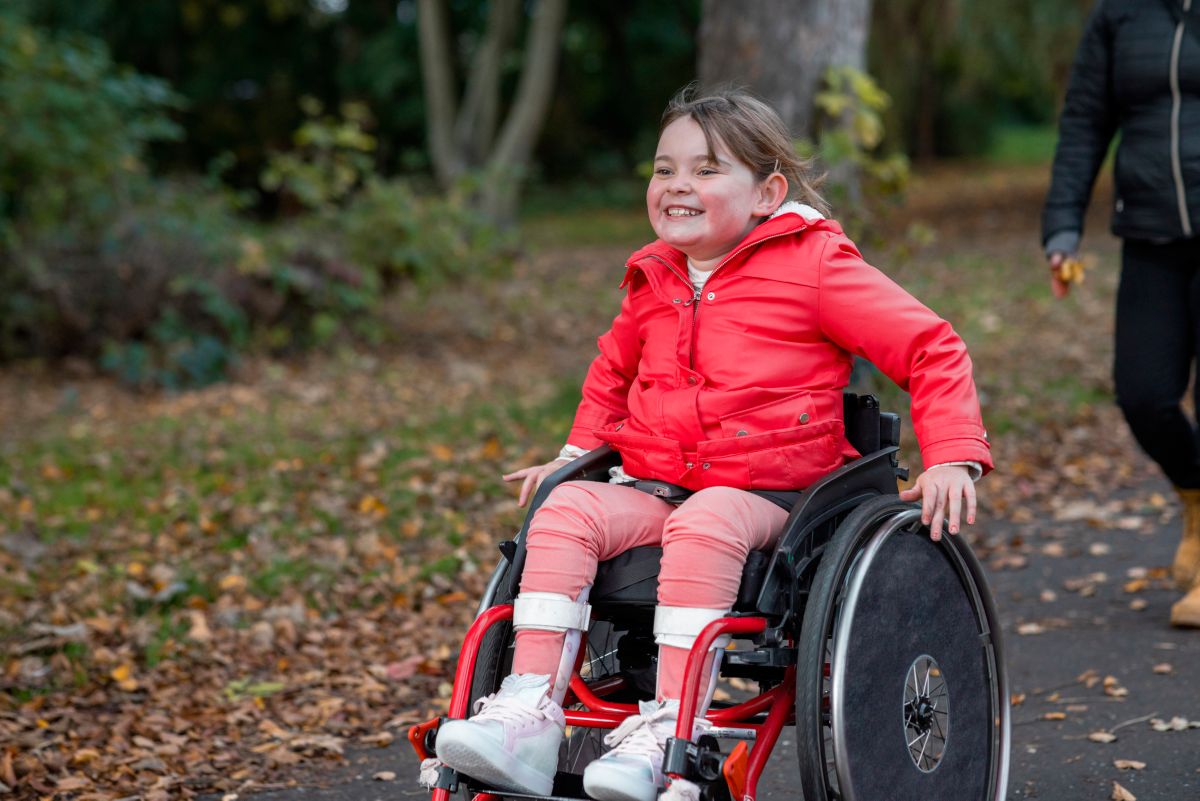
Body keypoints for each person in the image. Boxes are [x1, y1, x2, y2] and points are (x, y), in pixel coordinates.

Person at [433, 87, 992, 801]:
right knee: (565, 509)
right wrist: (574, 456)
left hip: (775, 496)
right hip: (662, 484)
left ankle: (672, 729)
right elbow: (612, 373)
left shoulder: (813, 264)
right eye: (664, 170)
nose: (677, 186)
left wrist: (951, 453)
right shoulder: (654, 275)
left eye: (704, 170)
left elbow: (930, 345)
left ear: (768, 192)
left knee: (706, 519)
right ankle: (528, 712)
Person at [1041, 0, 1200, 629]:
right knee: (1144, 394)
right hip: (1151, 236)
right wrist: (1062, 227)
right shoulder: (1121, 16)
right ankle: (1195, 494)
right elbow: (1085, 121)